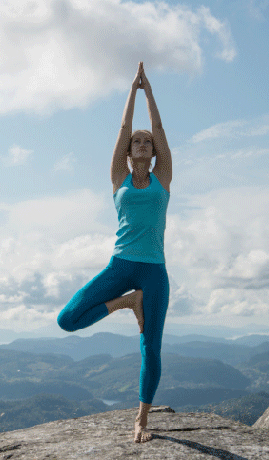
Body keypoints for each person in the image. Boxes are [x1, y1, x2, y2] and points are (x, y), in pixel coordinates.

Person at [56, 62, 171, 443]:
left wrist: (149, 92)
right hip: (120, 267)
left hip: (154, 270)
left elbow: (159, 130)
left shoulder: (163, 178)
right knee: (67, 318)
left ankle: (141, 420)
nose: (141, 144)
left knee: (150, 347)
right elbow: (123, 131)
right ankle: (127, 304)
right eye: (136, 143)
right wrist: (131, 91)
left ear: (154, 154)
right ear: (128, 152)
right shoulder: (118, 178)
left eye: (147, 143)